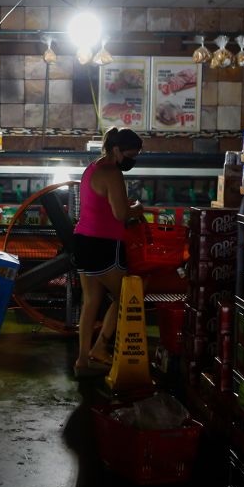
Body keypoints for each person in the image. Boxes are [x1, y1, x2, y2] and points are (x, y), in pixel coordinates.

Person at [71, 127, 143, 378]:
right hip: (104, 244)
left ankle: (82, 360)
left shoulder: (92, 168)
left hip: (83, 240)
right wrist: (137, 208)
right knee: (126, 296)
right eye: (130, 155)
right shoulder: (112, 172)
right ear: (116, 150)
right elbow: (121, 214)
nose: (132, 160)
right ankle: (100, 347)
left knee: (91, 302)